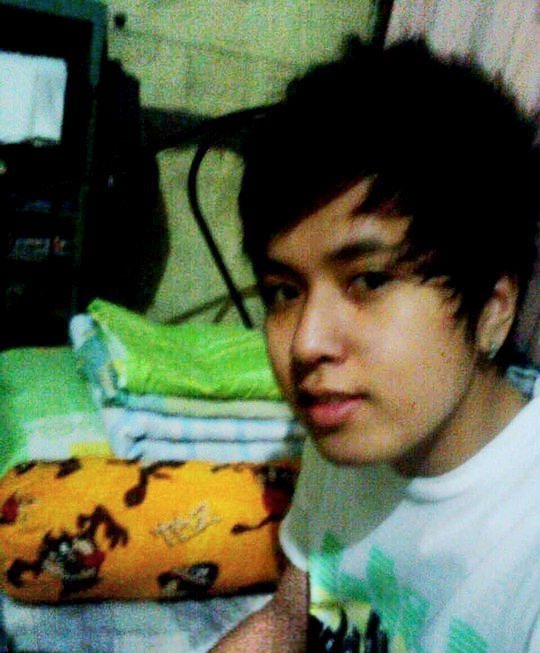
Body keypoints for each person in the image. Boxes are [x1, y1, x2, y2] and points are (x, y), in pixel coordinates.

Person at [210, 37, 540, 652]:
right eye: (284, 292)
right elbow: (290, 619)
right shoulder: (345, 431)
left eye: (369, 280)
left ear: (494, 309)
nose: (306, 344)